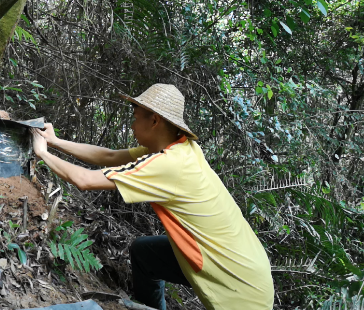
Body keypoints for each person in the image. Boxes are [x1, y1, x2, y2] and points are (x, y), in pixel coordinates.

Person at [31, 84, 274, 310]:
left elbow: (85, 180)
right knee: (146, 254)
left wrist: (42, 153)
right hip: (243, 261)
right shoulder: (179, 148)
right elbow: (110, 156)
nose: (133, 125)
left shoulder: (169, 165)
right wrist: (54, 142)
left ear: (155, 121)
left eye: (136, 119)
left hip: (240, 287)